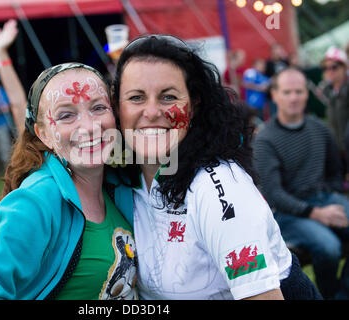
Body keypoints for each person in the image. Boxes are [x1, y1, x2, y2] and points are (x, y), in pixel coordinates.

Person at [111, 34, 321, 300]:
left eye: (168, 97)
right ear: (117, 107)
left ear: (195, 106)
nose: (152, 112)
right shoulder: (122, 179)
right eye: (136, 98)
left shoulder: (218, 186)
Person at [0, 62, 138, 300]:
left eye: (98, 108)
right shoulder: (36, 200)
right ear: (43, 134)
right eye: (66, 115)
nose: (89, 126)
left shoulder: (121, 185)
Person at [253, 67, 349, 299]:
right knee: (329, 248)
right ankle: (326, 295)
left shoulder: (320, 129)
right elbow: (274, 194)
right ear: (275, 95)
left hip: (324, 198)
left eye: (299, 91)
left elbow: (336, 171)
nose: (294, 98)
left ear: (307, 94)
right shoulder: (265, 140)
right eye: (287, 92)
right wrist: (316, 213)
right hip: (287, 213)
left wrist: (333, 198)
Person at [319, 46, 348, 180]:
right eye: (326, 68)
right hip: (338, 146)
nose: (329, 71)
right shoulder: (329, 89)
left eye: (334, 67)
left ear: (344, 67)